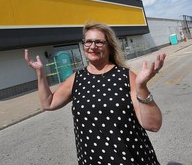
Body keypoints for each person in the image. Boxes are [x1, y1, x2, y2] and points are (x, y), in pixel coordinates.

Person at [25, 23, 166, 164]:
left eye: (99, 42)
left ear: (109, 46)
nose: (93, 47)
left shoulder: (125, 76)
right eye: (88, 42)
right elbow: (48, 103)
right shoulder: (77, 79)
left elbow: (153, 125)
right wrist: (40, 74)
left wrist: (141, 87)